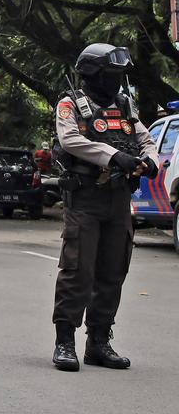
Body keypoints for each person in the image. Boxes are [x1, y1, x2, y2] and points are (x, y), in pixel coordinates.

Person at [50, 44, 158, 372]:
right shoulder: (71, 105)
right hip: (85, 199)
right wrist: (112, 156)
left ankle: (98, 341)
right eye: (111, 75)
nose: (116, 82)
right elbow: (70, 141)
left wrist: (150, 161)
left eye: (119, 76)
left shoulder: (124, 106)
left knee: (113, 271)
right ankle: (64, 341)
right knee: (78, 270)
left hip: (118, 200)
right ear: (93, 75)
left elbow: (145, 139)